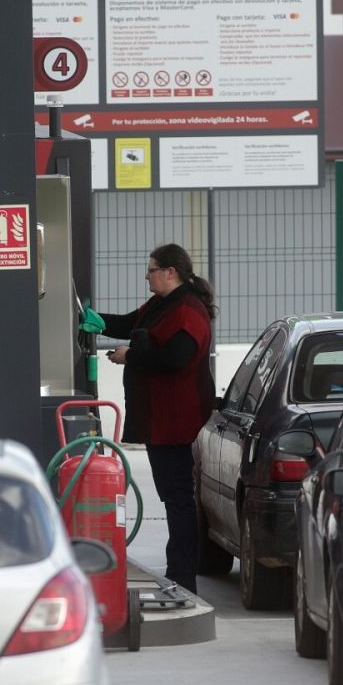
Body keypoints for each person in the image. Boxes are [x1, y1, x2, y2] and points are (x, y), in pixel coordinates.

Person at [99, 243, 216, 593]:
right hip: (159, 421)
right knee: (172, 496)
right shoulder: (161, 305)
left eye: (151, 269)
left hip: (176, 421)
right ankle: (179, 572)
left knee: (179, 498)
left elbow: (177, 358)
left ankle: (183, 576)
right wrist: (88, 318)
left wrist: (131, 356)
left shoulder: (188, 311)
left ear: (171, 272)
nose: (146, 275)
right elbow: (129, 323)